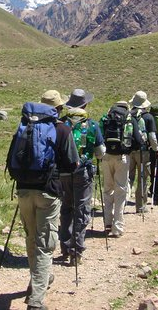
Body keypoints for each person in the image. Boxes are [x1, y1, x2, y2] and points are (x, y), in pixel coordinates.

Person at [13, 90, 79, 310]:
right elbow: (71, 164)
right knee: (45, 245)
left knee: (32, 238)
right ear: (58, 108)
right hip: (48, 193)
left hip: (23, 190)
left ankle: (38, 280)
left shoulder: (25, 127)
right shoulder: (62, 129)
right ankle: (37, 301)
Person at [58, 89, 105, 265]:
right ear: (85, 105)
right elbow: (100, 152)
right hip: (83, 172)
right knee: (82, 209)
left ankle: (64, 245)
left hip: (62, 173)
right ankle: (76, 250)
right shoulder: (92, 125)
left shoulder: (61, 123)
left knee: (66, 208)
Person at [100, 100, 132, 237]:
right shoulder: (128, 119)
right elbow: (134, 138)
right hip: (122, 157)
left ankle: (107, 222)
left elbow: (99, 137)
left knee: (107, 189)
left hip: (106, 156)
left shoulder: (105, 118)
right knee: (120, 191)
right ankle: (117, 226)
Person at [127, 91, 158, 214]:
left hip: (129, 150)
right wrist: (156, 149)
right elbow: (152, 136)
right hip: (143, 151)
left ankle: (123, 200)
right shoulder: (148, 117)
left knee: (128, 177)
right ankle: (140, 206)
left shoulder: (129, 115)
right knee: (142, 178)